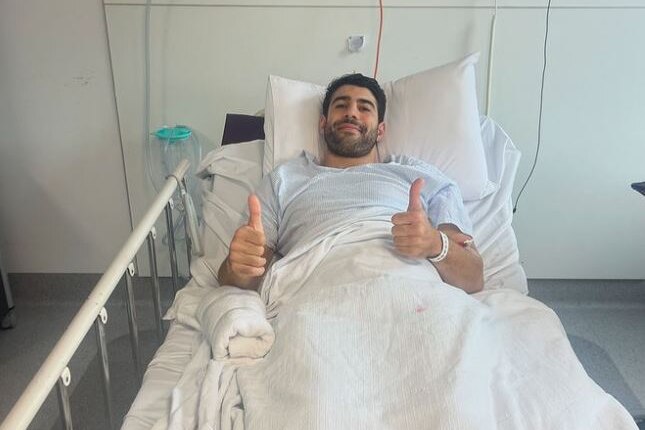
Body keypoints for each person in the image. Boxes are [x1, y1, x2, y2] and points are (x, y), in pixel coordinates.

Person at [218, 73, 484, 294]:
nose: (351, 113)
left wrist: (435, 244)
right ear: (323, 124)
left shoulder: (418, 176)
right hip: (317, 293)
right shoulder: (283, 180)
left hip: (412, 292)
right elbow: (241, 277)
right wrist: (237, 266)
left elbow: (473, 278)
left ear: (381, 130)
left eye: (364, 108)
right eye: (341, 105)